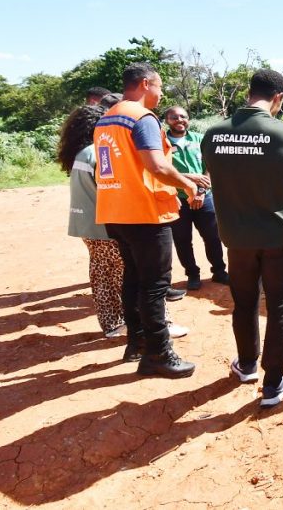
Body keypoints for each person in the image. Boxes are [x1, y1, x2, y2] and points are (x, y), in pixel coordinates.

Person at [202, 69, 283, 407]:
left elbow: (216, 174)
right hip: (279, 234)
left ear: (250, 93)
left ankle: (246, 365)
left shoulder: (213, 134)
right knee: (279, 307)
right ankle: (274, 384)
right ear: (278, 98)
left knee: (244, 302)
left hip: (237, 236)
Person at [95, 62, 204, 378]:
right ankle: (159, 353)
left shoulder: (107, 118)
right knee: (155, 285)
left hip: (116, 211)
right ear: (145, 84)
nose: (160, 93)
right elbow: (156, 166)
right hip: (144, 212)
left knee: (133, 278)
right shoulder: (140, 118)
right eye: (158, 86)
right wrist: (187, 183)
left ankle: (137, 343)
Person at [59, 104, 124, 337]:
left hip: (87, 226)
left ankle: (112, 325)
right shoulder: (100, 151)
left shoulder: (80, 153)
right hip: (106, 227)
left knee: (101, 275)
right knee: (123, 275)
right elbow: (110, 188)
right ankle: (134, 324)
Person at [164, 105, 229, 290]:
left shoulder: (200, 139)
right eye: (174, 117)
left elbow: (209, 167)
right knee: (182, 239)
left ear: (188, 119)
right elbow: (162, 171)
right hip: (177, 199)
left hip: (203, 197)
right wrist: (190, 178)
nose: (179, 120)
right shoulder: (162, 143)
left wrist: (200, 192)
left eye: (183, 116)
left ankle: (219, 271)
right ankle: (192, 274)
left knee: (213, 236)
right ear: (167, 121)